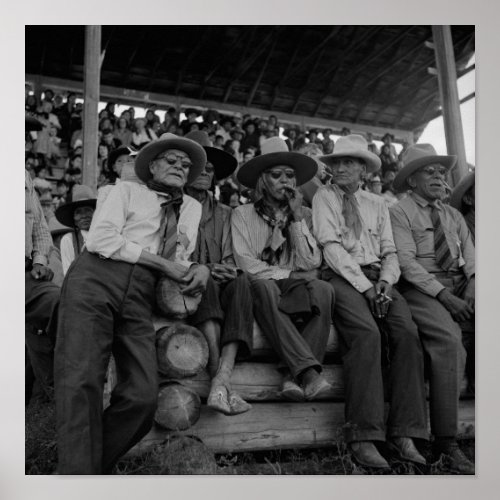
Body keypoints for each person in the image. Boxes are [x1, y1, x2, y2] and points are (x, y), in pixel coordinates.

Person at [54, 133, 210, 474]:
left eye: (185, 165)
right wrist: (164, 264)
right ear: (151, 165)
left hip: (140, 292)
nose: (179, 168)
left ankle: (86, 471)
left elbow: (180, 256)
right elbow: (101, 239)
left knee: (142, 396)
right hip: (96, 278)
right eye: (171, 160)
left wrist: (199, 267)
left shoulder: (192, 208)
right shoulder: (123, 191)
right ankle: (75, 481)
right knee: (81, 382)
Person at [312, 134, 428, 469]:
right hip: (342, 275)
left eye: (348, 162)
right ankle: (363, 436)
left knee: (406, 333)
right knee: (366, 335)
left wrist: (384, 283)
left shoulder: (379, 203)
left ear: (364, 169)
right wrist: (365, 286)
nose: (341, 168)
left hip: (379, 278)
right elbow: (330, 246)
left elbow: (390, 251)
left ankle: (406, 433)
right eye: (336, 163)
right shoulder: (325, 196)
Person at [389, 144, 475, 474]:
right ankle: (446, 443)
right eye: (430, 171)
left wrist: (473, 284)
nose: (439, 176)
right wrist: (444, 294)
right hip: (421, 288)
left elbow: (473, 256)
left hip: (458, 283)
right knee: (450, 343)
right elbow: (407, 264)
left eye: (441, 171)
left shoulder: (452, 214)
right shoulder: (399, 211)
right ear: (411, 181)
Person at [231, 137, 334, 402]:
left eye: (290, 176)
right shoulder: (242, 213)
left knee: (323, 288)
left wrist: (297, 217)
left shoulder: (306, 215)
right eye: (276, 175)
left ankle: (292, 374)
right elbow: (245, 262)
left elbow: (311, 263)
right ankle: (309, 374)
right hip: (263, 282)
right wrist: (289, 275)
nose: (285, 181)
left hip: (295, 283)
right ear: (262, 180)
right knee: (263, 286)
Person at [184, 131, 254, 415]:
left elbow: (229, 258)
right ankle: (220, 378)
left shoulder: (227, 213)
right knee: (207, 282)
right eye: (198, 167)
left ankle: (222, 378)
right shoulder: (173, 208)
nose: (204, 172)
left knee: (240, 281)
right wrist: (207, 269)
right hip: (184, 281)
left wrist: (221, 268)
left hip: (217, 279)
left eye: (210, 169)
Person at [25, 115, 61, 403]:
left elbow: (40, 230)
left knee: (60, 305)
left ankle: (56, 398)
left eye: (25, 135)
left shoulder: (23, 177)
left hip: (25, 274)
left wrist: (39, 260)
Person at [55, 185, 97, 275]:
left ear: (96, 213)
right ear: (74, 218)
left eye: (87, 210)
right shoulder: (68, 240)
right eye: (78, 212)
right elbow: (68, 274)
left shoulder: (106, 236)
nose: (84, 215)